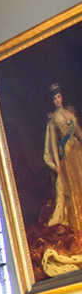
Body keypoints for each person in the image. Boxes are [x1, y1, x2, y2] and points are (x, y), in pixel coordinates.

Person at [45, 83, 82, 239]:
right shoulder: (53, 120)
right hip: (66, 158)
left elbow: (79, 133)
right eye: (54, 98)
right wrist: (57, 165)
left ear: (62, 97)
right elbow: (53, 145)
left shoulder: (70, 114)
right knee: (72, 188)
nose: (57, 100)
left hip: (77, 154)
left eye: (58, 96)